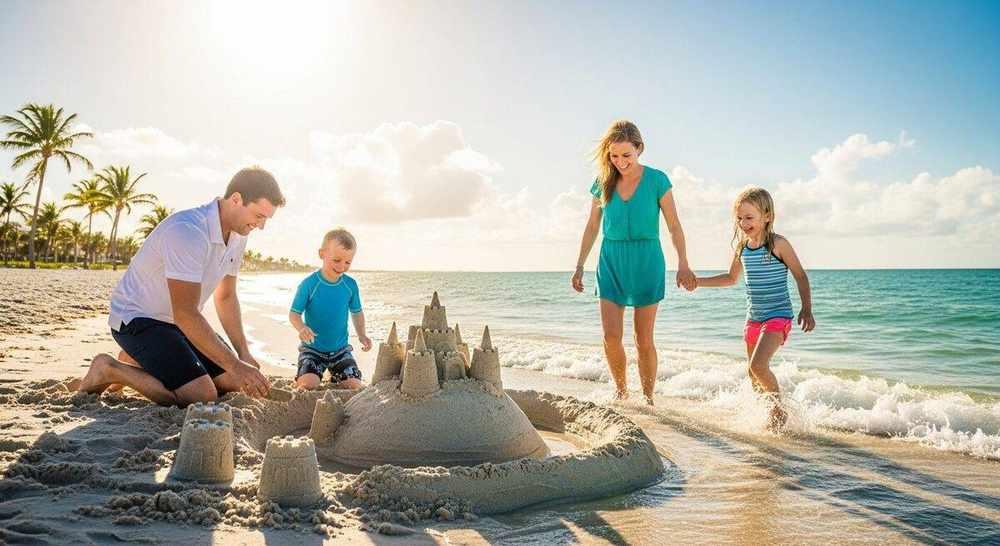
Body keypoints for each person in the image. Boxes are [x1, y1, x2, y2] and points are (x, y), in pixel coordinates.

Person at [75, 166, 284, 406]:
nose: (261, 226)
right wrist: (235, 365)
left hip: (177, 324)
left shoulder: (238, 236)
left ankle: (135, 359)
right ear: (236, 199)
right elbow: (185, 313)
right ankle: (110, 369)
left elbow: (225, 297)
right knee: (201, 395)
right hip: (138, 319)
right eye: (259, 216)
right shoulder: (188, 231)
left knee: (234, 381)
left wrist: (243, 354)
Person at [572, 120, 696, 405]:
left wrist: (683, 262)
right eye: (614, 155)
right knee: (611, 336)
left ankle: (649, 400)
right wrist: (579, 265)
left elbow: (674, 225)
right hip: (611, 261)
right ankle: (621, 392)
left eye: (626, 155)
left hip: (647, 261)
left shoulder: (657, 180)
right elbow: (592, 226)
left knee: (643, 340)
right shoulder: (603, 182)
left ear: (639, 148)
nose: (620, 162)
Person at [693, 186, 815, 429]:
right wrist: (698, 282)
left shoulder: (778, 244)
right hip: (753, 319)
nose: (743, 223)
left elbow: (800, 276)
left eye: (749, 217)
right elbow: (730, 278)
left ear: (767, 216)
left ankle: (779, 412)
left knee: (758, 365)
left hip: (778, 316)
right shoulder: (742, 247)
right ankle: (767, 417)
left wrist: (807, 308)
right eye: (739, 218)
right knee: (753, 374)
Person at [289, 228, 371, 390]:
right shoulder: (309, 284)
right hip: (312, 350)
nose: (342, 266)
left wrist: (362, 334)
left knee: (354, 386)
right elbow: (294, 314)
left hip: (341, 351)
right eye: (337, 260)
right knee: (308, 386)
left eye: (347, 262)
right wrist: (302, 327)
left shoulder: (350, 285)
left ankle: (336, 375)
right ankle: (310, 373)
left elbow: (357, 312)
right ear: (322, 254)